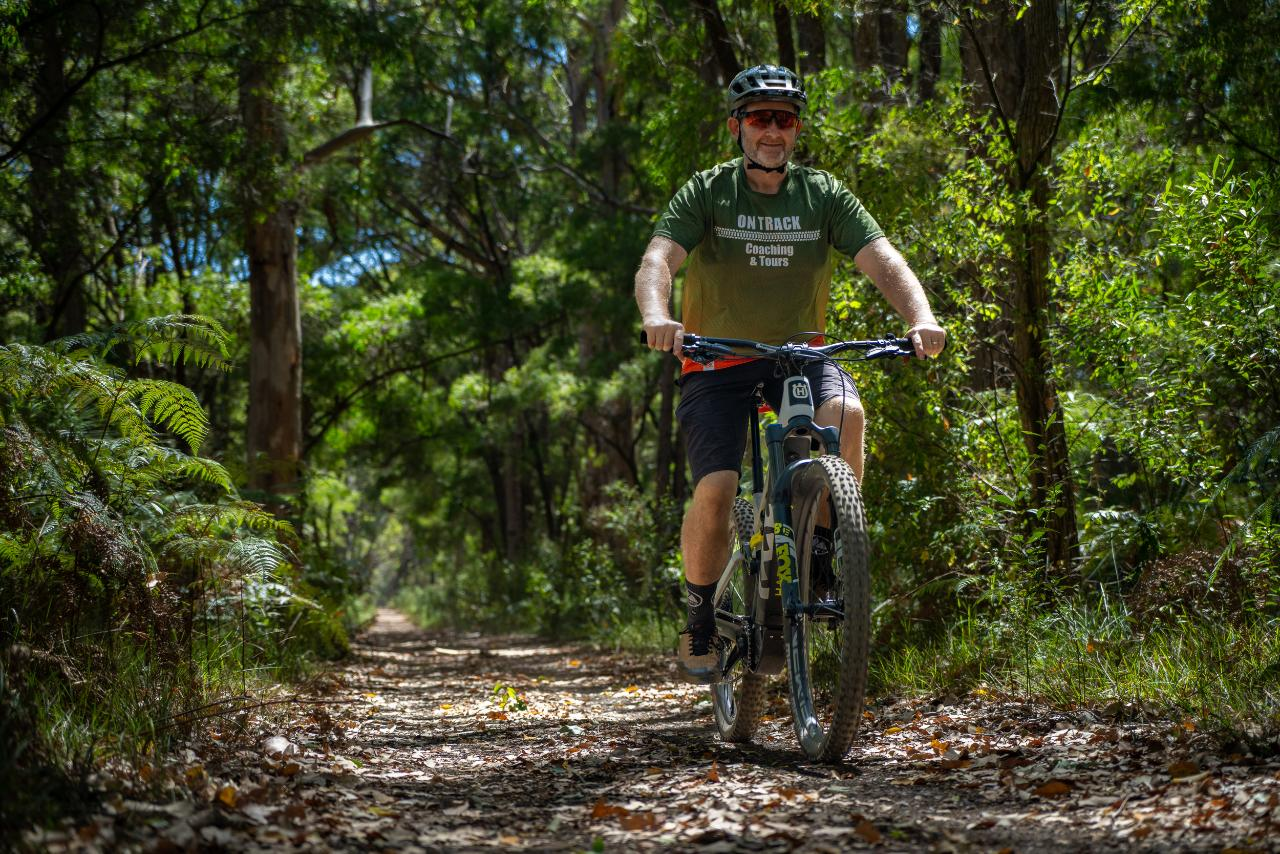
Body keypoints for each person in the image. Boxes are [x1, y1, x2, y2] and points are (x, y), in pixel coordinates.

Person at [635, 64, 947, 683]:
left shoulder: (823, 194)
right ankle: (700, 613)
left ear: (796, 128)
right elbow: (658, 259)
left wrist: (922, 316)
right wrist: (657, 315)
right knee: (718, 489)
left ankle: (825, 554)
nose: (772, 130)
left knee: (847, 415)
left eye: (784, 118)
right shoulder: (708, 192)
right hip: (714, 358)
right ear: (737, 127)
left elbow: (882, 259)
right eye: (759, 117)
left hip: (799, 356)